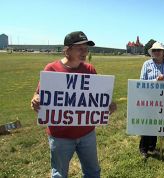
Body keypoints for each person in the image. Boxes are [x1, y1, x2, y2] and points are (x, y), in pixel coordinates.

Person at [30, 31, 117, 178]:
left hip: (87, 133)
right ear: (67, 50)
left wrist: (107, 106)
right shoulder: (52, 69)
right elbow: (38, 94)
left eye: (86, 48)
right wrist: (35, 100)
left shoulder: (90, 69)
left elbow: (95, 98)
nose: (85, 52)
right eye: (80, 48)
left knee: (93, 172)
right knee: (59, 174)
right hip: (60, 136)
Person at [139, 42, 164, 158]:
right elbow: (141, 82)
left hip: (162, 98)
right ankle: (143, 149)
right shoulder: (146, 64)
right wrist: (155, 81)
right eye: (154, 50)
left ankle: (152, 147)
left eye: (159, 50)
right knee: (147, 122)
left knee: (156, 123)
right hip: (148, 98)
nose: (156, 52)